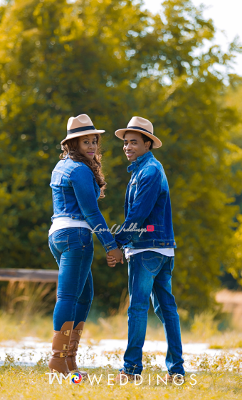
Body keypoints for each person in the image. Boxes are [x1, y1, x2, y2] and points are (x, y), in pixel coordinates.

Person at [108, 116, 185, 383]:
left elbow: (138, 215)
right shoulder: (145, 170)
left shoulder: (149, 171)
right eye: (126, 143)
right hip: (161, 250)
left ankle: (130, 370)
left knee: (138, 309)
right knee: (166, 309)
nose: (128, 147)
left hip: (147, 250)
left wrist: (116, 243)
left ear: (148, 144)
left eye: (134, 142)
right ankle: (176, 371)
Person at [48, 114, 123, 376]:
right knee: (68, 296)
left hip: (58, 235)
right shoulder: (79, 170)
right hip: (76, 236)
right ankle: (58, 361)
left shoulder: (62, 167)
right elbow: (91, 213)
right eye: (85, 142)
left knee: (84, 295)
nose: (91, 146)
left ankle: (69, 359)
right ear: (73, 144)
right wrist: (110, 245)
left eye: (94, 141)